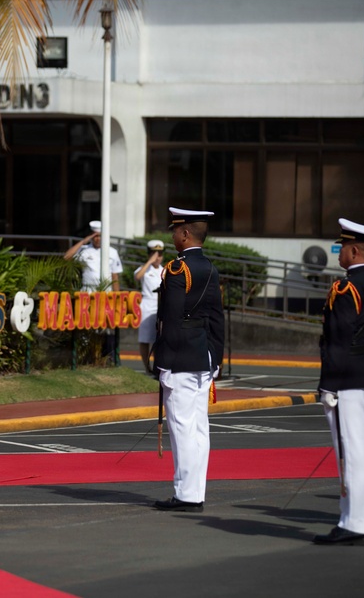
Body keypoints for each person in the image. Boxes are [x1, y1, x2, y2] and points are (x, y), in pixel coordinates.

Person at [313, 218, 364, 546]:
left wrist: (328, 384)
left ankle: (353, 523)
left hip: (347, 378)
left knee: (351, 450)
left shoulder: (346, 288)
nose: (338, 252)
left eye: (341, 247)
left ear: (354, 250)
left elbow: (338, 339)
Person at [152, 208, 224, 512]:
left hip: (180, 357)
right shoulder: (210, 268)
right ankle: (195, 491)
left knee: (182, 428)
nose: (172, 236)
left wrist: (162, 361)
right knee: (198, 428)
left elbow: (171, 319)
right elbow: (217, 319)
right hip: (203, 356)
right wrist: (216, 358)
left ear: (185, 234)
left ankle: (185, 494)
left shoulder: (178, 269)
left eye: (175, 231)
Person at [64, 220, 122, 292]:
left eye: (100, 236)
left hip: (106, 290)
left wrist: (117, 298)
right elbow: (66, 257)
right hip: (88, 290)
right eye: (95, 236)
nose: (98, 239)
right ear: (91, 236)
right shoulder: (84, 250)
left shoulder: (112, 252)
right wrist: (83, 241)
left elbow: (115, 276)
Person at [135, 239, 165, 374]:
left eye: (159, 254)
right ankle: (147, 367)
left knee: (159, 338)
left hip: (161, 305)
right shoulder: (144, 269)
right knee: (145, 338)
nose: (157, 257)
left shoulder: (165, 270)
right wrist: (149, 262)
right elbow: (137, 277)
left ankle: (158, 366)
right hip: (147, 305)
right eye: (154, 254)